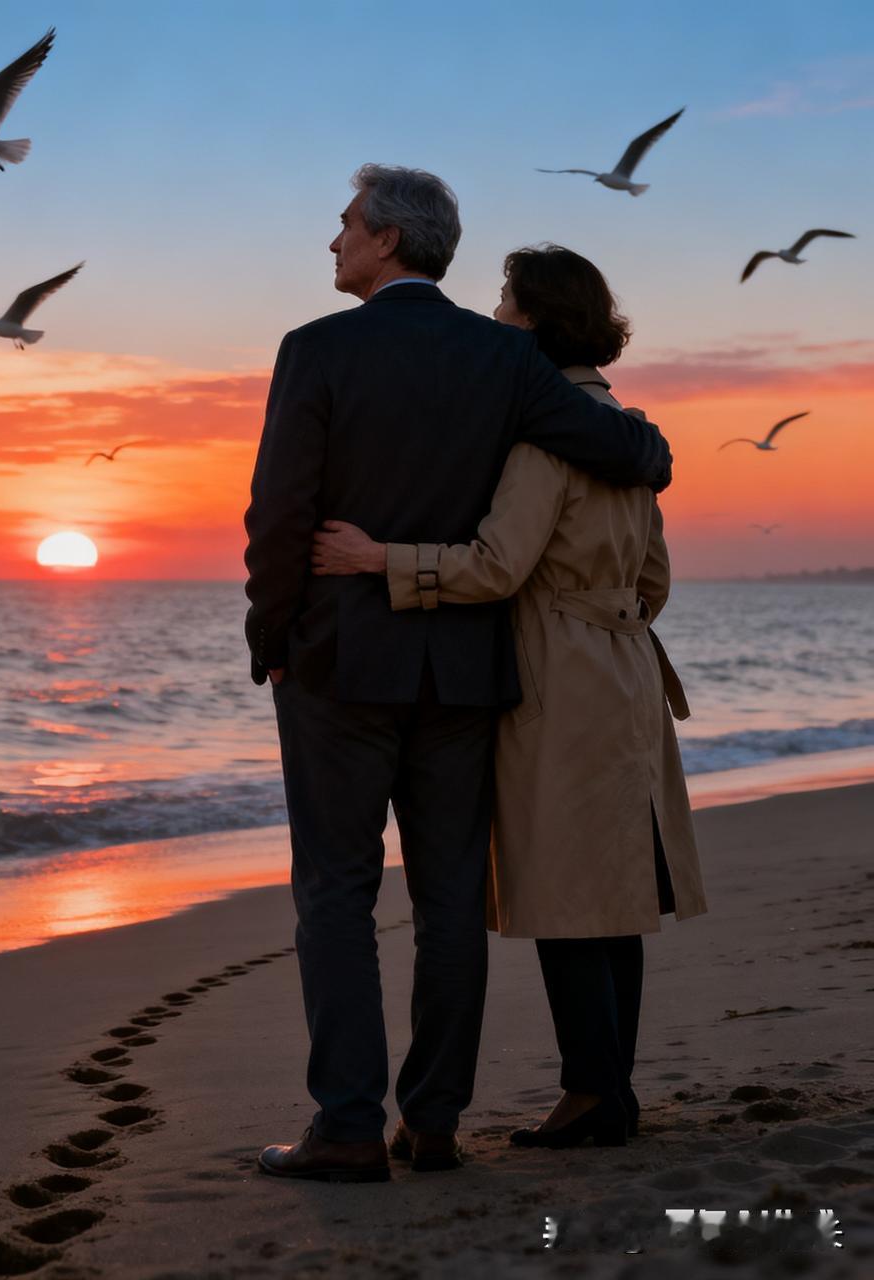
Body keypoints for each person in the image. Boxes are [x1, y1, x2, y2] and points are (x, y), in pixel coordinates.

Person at [244, 170, 673, 1183]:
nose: (331, 241)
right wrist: (651, 445)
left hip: (339, 665)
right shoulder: (503, 358)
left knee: (336, 897)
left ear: (387, 240)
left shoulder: (314, 349)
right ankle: (430, 1118)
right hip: (464, 670)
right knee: (444, 900)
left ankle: (346, 1124)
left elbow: (277, 513)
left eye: (344, 224)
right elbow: (619, 449)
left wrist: (270, 636)